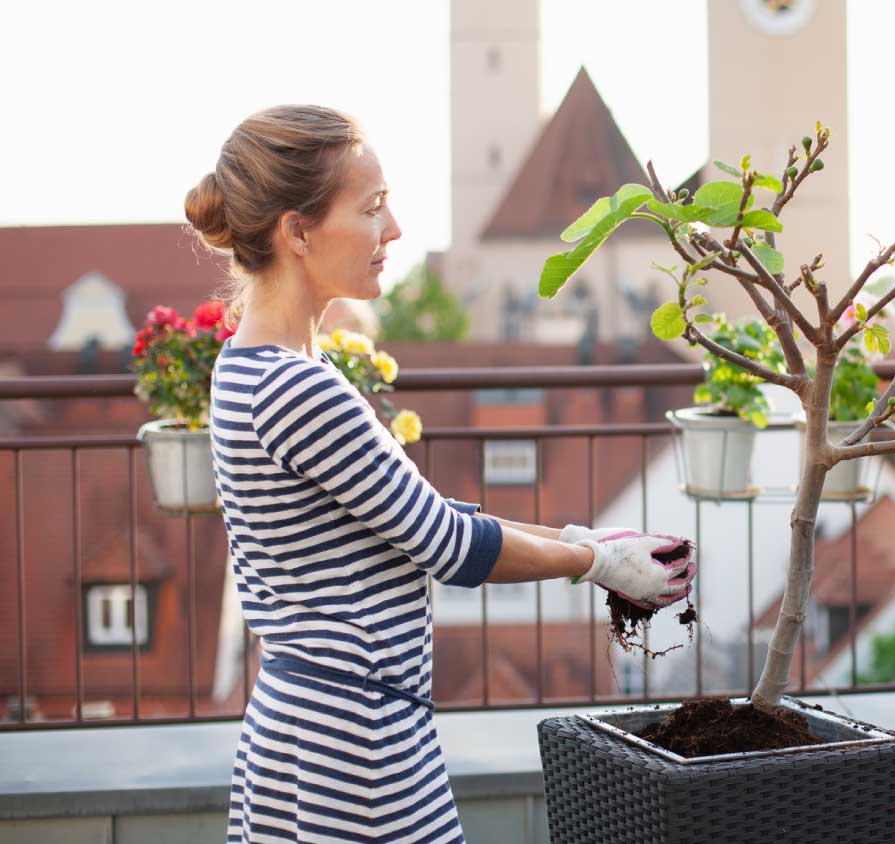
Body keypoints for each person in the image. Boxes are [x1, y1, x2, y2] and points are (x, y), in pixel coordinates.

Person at [192, 104, 696, 843]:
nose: (393, 230)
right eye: (371, 209)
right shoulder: (299, 388)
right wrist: (597, 562)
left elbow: (413, 514)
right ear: (297, 232)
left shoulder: (254, 367)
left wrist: (575, 538)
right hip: (354, 742)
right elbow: (449, 546)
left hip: (309, 721)